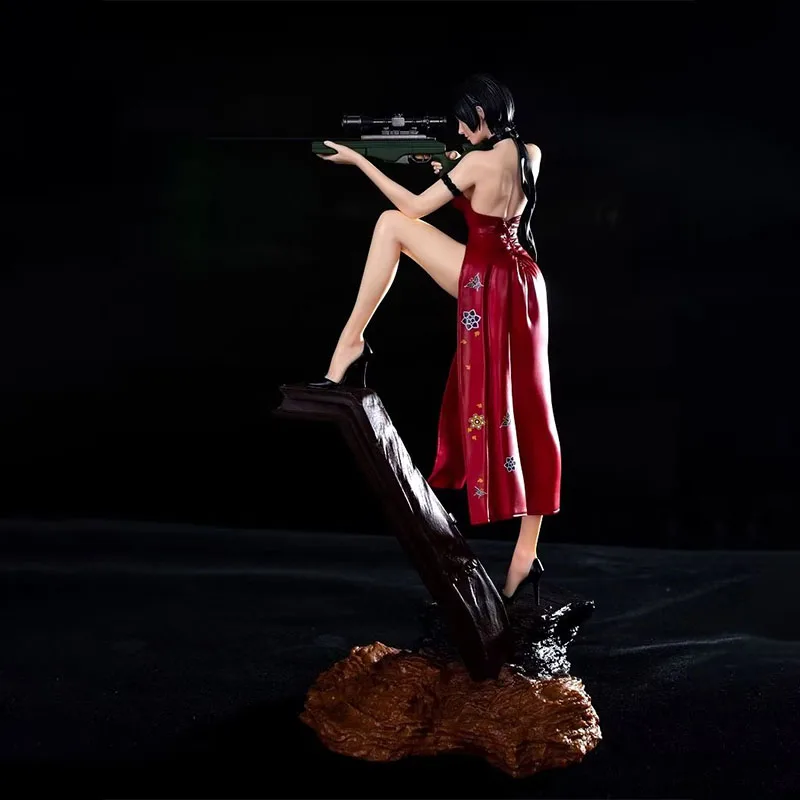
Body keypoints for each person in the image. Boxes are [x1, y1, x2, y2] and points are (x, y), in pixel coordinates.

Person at [307, 74, 561, 605]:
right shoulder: (531, 154)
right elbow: (493, 208)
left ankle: (349, 344)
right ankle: (526, 552)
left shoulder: (475, 163)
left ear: (481, 115)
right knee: (534, 408)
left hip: (486, 281)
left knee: (390, 224)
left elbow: (414, 207)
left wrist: (360, 162)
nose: (461, 133)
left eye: (465, 124)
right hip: (525, 283)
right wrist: (450, 169)